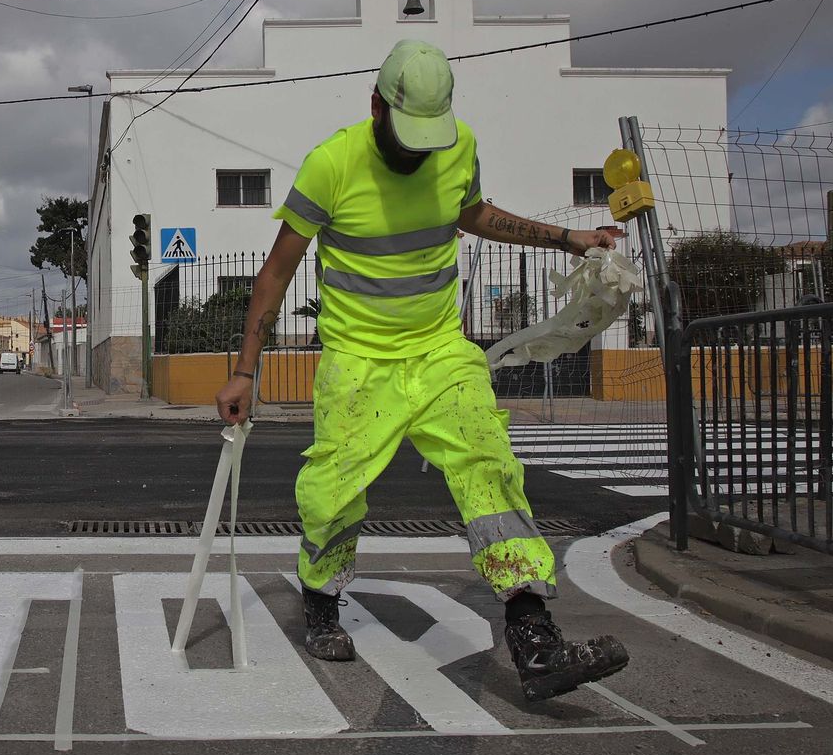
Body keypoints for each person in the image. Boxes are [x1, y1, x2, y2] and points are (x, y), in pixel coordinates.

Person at [215, 39, 629, 702]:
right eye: (406, 135)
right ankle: (321, 599)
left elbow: (473, 214)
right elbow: (275, 273)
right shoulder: (332, 165)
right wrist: (244, 371)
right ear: (375, 105)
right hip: (358, 358)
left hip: (439, 349)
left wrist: (567, 237)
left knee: (489, 468)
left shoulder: (456, 145)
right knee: (332, 493)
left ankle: (534, 639)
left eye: (426, 138)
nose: (417, 152)